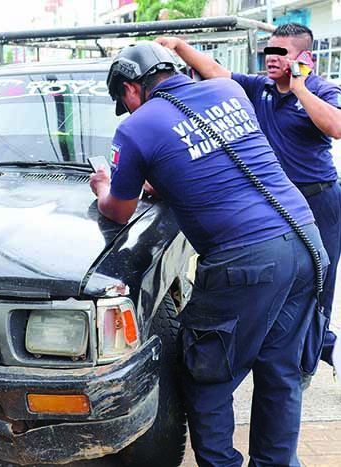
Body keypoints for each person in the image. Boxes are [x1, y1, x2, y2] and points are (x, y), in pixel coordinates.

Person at [91, 41, 328, 467]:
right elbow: (216, 161)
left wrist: (103, 187)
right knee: (280, 372)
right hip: (306, 242)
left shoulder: (138, 126)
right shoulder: (229, 92)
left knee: (207, 376)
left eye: (122, 102)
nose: (126, 111)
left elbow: (118, 208)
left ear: (129, 88)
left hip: (246, 261)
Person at [157, 23, 341, 378]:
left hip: (319, 201)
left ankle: (307, 361)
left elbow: (335, 127)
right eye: (268, 51)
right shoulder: (261, 88)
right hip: (275, 202)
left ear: (305, 58)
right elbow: (217, 73)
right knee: (277, 281)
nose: (271, 59)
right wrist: (180, 46)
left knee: (318, 283)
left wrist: (300, 86)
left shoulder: (321, 89)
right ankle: (283, 350)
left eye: (281, 53)